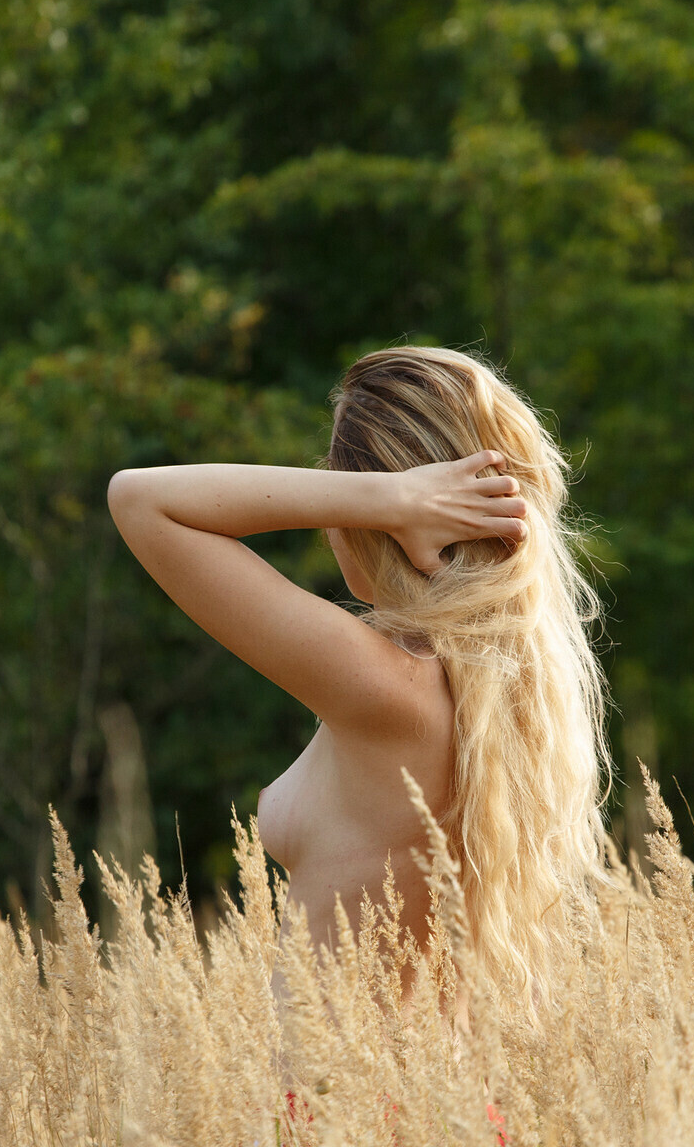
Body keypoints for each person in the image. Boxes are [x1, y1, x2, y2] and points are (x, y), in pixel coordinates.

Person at [107, 345, 609, 995]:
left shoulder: (394, 691)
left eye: (342, 490)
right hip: (410, 1064)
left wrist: (386, 498)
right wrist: (391, 497)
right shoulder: (509, 694)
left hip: (351, 1067)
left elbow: (140, 499)